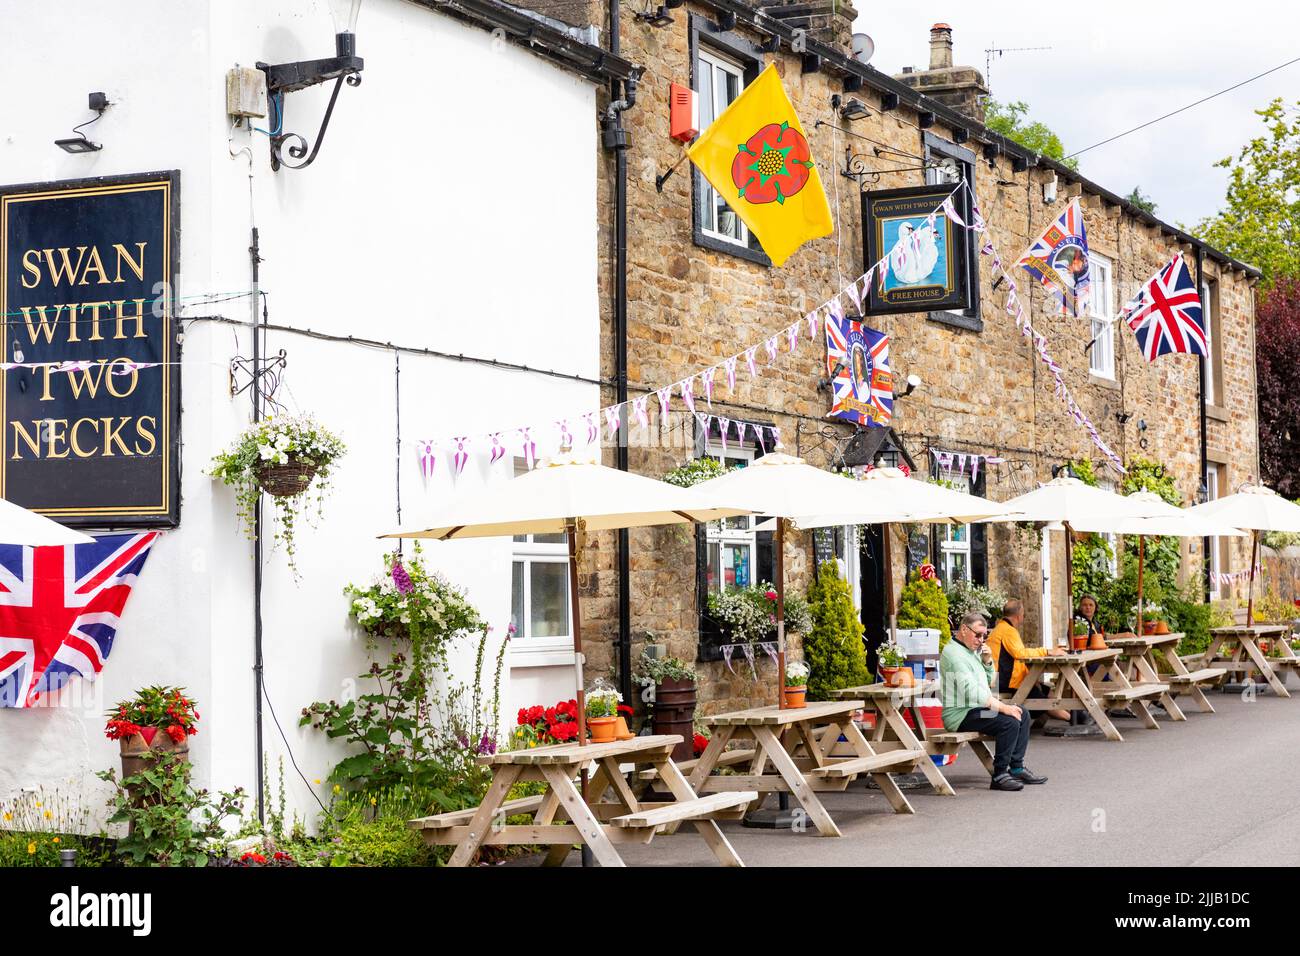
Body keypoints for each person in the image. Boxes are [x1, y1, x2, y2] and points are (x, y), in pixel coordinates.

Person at [941, 611, 1048, 791]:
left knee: (1023, 713)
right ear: (964, 629)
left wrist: (988, 661)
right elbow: (971, 692)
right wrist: (1003, 707)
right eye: (978, 635)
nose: (981, 640)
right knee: (1009, 722)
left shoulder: (971, 650)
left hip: (977, 708)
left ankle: (1016, 768)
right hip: (960, 714)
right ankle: (999, 775)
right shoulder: (953, 655)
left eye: (984, 635)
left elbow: (990, 682)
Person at [987, 599, 1071, 722]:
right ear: (1019, 616)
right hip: (1002, 682)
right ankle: (1073, 719)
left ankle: (1073, 715)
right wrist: (1047, 652)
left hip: (1000, 679)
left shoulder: (1000, 628)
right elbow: (1020, 654)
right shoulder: (1008, 631)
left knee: (1045, 690)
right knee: (1040, 699)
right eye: (1023, 614)